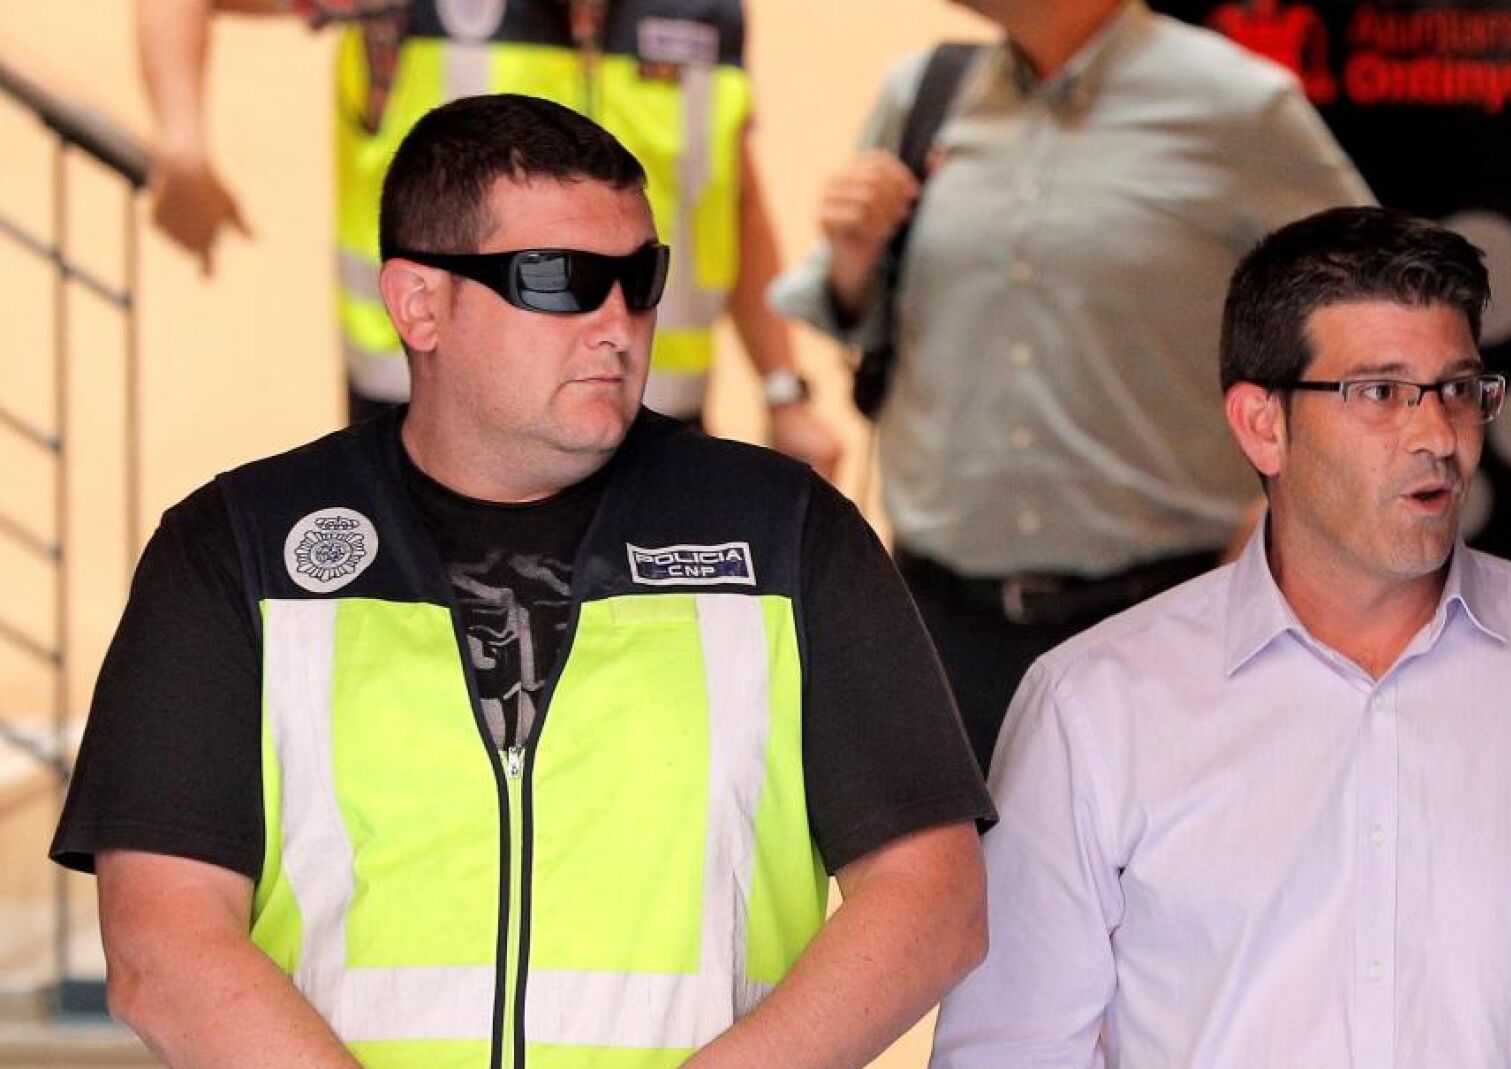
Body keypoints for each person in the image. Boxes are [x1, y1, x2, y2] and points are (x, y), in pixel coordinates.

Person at [52, 94, 992, 1069]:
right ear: (419, 304)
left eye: (639, 278)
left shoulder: (788, 536)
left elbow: (932, 895)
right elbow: (163, 941)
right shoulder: (236, 548)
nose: (618, 323)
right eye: (558, 280)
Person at [929, 206, 1511, 1068]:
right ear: (1262, 423)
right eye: (1379, 393)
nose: (1437, 436)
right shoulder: (1095, 704)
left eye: (1458, 390)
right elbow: (1011, 1048)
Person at [771, 0, 1374, 770]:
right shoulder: (924, 96)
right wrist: (853, 258)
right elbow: (858, 315)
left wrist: (1286, 513)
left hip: (1164, 621)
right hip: (937, 627)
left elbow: (1377, 322)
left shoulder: (1238, 106)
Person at [137, 0, 841, 475]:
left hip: (645, 421)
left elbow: (732, 200)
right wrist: (183, 147)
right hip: (436, 424)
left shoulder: (705, 11)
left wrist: (785, 392)